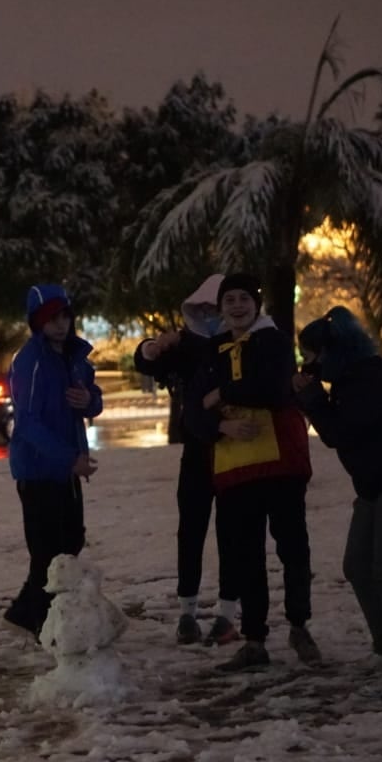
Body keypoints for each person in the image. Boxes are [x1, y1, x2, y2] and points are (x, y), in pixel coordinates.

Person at [294, 307, 382, 697]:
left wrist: (311, 398)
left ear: (333, 351)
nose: (310, 362)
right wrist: (312, 398)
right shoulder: (349, 382)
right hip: (374, 487)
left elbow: (341, 434)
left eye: (313, 354)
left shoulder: (367, 383)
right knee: (357, 566)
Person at [185, 273, 319, 672]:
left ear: (256, 304)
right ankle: (255, 638)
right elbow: (193, 410)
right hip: (234, 468)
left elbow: (275, 388)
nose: (238, 305)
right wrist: (220, 427)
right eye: (230, 300)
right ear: (221, 307)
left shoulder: (274, 341)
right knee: (246, 558)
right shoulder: (213, 349)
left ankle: (299, 623)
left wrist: (224, 394)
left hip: (281, 463)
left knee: (293, 547)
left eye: (245, 298)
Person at [134, 274, 241, 646]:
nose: (213, 315)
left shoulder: (243, 343)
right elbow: (148, 360)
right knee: (191, 530)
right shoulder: (187, 345)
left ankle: (227, 614)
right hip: (197, 451)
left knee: (232, 533)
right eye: (205, 309)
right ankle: (187, 612)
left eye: (218, 308)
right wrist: (151, 348)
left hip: (235, 450)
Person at [4, 284, 103, 639]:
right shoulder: (30, 362)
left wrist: (88, 400)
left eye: (64, 316)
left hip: (66, 468)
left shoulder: (73, 356)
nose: (60, 325)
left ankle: (28, 612)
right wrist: (67, 459)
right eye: (51, 318)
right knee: (48, 551)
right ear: (37, 322)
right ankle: (44, 622)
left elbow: (93, 398)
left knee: (71, 541)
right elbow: (28, 422)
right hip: (39, 470)